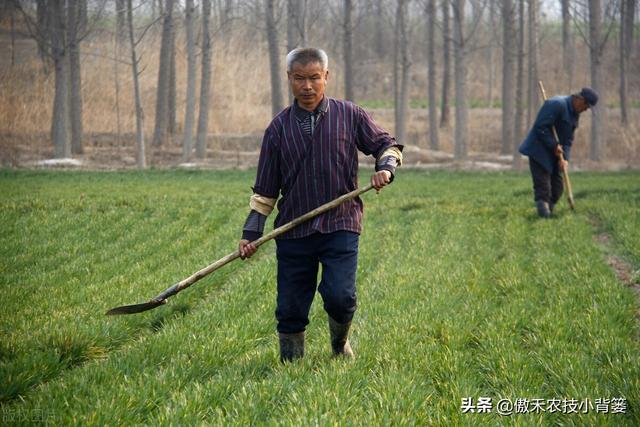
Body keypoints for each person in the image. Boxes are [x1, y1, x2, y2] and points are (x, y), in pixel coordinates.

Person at [237, 47, 403, 362]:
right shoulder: (278, 129)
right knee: (290, 307)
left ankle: (340, 346)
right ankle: (290, 365)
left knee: (340, 296)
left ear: (326, 77)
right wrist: (251, 232)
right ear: (289, 79)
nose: (308, 86)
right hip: (294, 228)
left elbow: (387, 145)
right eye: (300, 78)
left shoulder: (349, 115)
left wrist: (385, 169)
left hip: (341, 224)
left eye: (315, 78)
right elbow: (265, 191)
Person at [519, 87, 598, 218]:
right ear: (580, 99)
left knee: (557, 189)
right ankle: (544, 219)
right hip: (539, 150)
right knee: (543, 188)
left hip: (556, 154)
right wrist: (554, 145)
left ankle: (546, 215)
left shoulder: (574, 114)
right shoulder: (556, 104)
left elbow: (568, 140)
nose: (586, 110)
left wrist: (565, 159)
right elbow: (540, 127)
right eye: (586, 106)